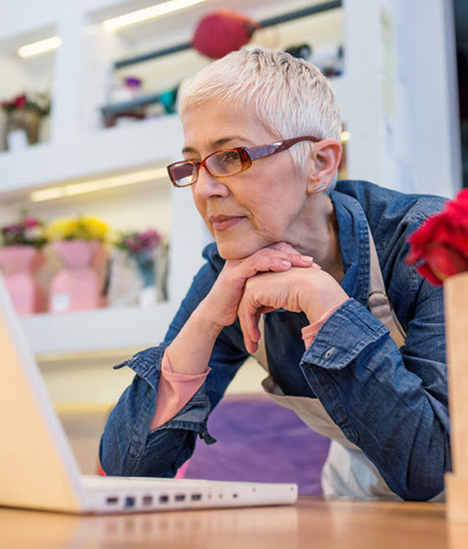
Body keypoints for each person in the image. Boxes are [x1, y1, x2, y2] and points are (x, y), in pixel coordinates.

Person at [99, 48, 449, 501]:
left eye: (231, 157)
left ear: (320, 165)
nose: (205, 189)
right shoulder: (223, 276)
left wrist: (327, 307)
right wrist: (205, 323)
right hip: (358, 503)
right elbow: (128, 472)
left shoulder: (429, 242)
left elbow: (434, 466)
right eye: (193, 165)